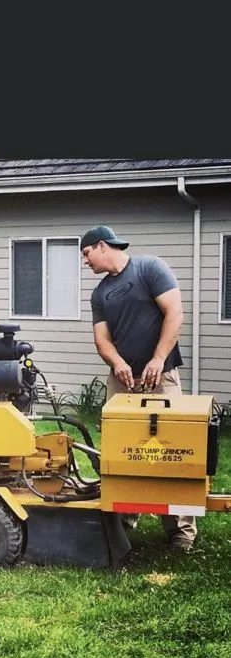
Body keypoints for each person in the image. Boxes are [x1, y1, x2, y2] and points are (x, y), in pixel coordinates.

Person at [80, 224, 197, 553]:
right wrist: (117, 363)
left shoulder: (150, 268)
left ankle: (181, 531)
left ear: (102, 246)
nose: (85, 261)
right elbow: (102, 339)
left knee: (173, 450)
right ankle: (125, 518)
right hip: (123, 381)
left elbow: (174, 312)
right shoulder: (100, 293)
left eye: (87, 254)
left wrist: (158, 358)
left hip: (161, 376)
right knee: (121, 450)